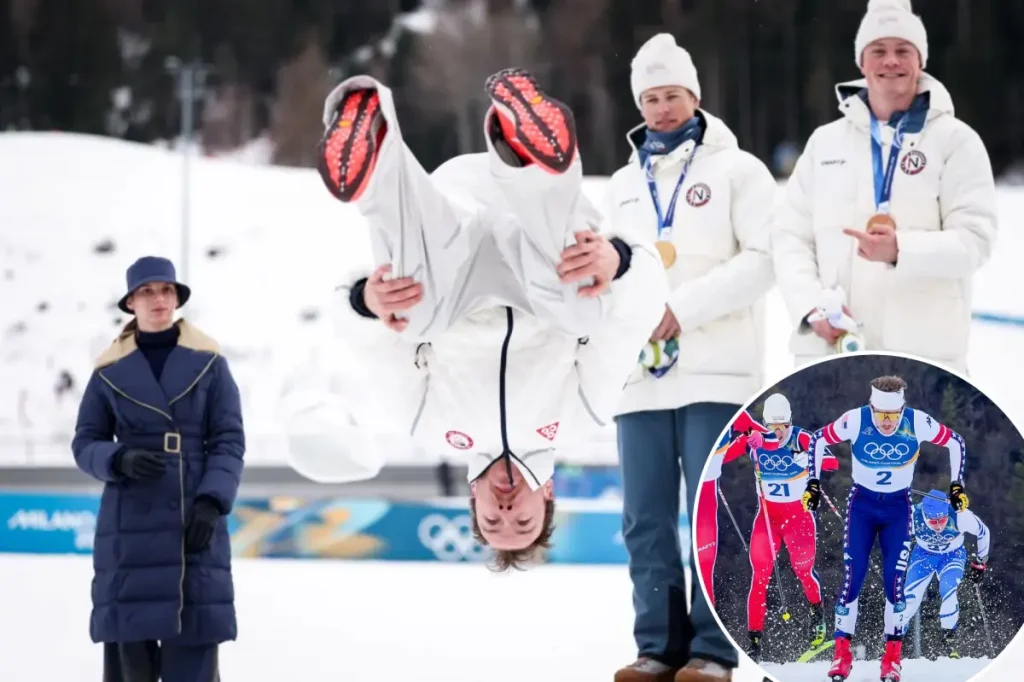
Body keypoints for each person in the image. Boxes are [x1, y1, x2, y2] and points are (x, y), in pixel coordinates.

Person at [288, 69, 667, 572]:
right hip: (537, 253)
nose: (505, 512)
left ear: (473, 500)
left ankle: (377, 148)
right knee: (584, 306)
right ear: (548, 495)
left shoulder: (429, 427)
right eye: (523, 523)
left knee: (411, 316)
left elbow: (374, 346)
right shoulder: (580, 419)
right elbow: (630, 323)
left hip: (453, 244)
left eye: (491, 523)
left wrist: (367, 300)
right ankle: (526, 153)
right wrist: (618, 259)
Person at [604, 33, 776, 682]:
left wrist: (685, 307)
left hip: (717, 371)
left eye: (672, 95)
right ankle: (657, 647)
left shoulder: (740, 171)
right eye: (649, 98)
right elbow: (602, 272)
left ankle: (712, 652)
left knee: (717, 514)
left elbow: (764, 262)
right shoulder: (621, 184)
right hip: (639, 378)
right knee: (644, 519)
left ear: (695, 96)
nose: (662, 108)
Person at [772, 0, 997, 375]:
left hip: (925, 360)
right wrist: (811, 306)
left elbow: (976, 240)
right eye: (878, 51)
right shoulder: (824, 143)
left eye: (902, 51)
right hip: (833, 355)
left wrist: (901, 249)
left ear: (920, 60)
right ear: (862, 63)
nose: (890, 61)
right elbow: (789, 237)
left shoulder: (956, 141)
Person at [71, 256, 245, 682]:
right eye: (147, 291)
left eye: (166, 290)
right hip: (130, 519)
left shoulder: (210, 362)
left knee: (195, 644)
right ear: (131, 302)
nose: (158, 299)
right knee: (131, 653)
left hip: (193, 516)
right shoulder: (108, 371)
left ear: (177, 298)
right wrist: (118, 459)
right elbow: (84, 442)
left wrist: (212, 501)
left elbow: (229, 439)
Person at [803, 374, 968, 682]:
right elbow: (817, 439)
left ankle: (891, 661)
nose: (888, 423)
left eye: (893, 416)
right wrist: (813, 482)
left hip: (898, 510)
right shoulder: (855, 420)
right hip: (862, 507)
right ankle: (841, 656)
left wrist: (957, 487)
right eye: (881, 416)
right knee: (853, 580)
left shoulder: (918, 422)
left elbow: (956, 442)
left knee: (895, 584)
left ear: (902, 410)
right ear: (871, 408)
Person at [742, 393, 838, 661]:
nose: (779, 431)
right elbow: (747, 443)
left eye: (783, 425)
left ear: (790, 422)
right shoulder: (756, 438)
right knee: (759, 575)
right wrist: (754, 443)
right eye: (773, 426)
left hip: (798, 519)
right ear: (765, 424)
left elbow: (832, 462)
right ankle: (754, 645)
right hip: (768, 519)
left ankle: (817, 617)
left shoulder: (803, 438)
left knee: (803, 570)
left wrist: (808, 460)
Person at [902, 489, 990, 658]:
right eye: (933, 521)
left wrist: (980, 563)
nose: (938, 525)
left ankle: (949, 641)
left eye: (942, 520)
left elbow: (983, 532)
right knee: (910, 598)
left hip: (952, 556)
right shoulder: (913, 516)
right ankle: (893, 640)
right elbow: (893, 532)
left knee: (948, 591)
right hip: (923, 556)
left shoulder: (960, 515)